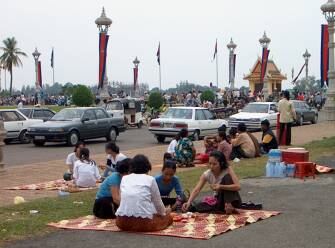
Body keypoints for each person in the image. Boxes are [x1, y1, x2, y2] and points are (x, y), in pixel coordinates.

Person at [116, 155, 173, 232]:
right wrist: (164, 213)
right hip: (144, 223)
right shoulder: (150, 180)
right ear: (147, 167)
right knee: (168, 218)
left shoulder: (125, 178)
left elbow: (123, 200)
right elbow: (158, 203)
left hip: (121, 222)